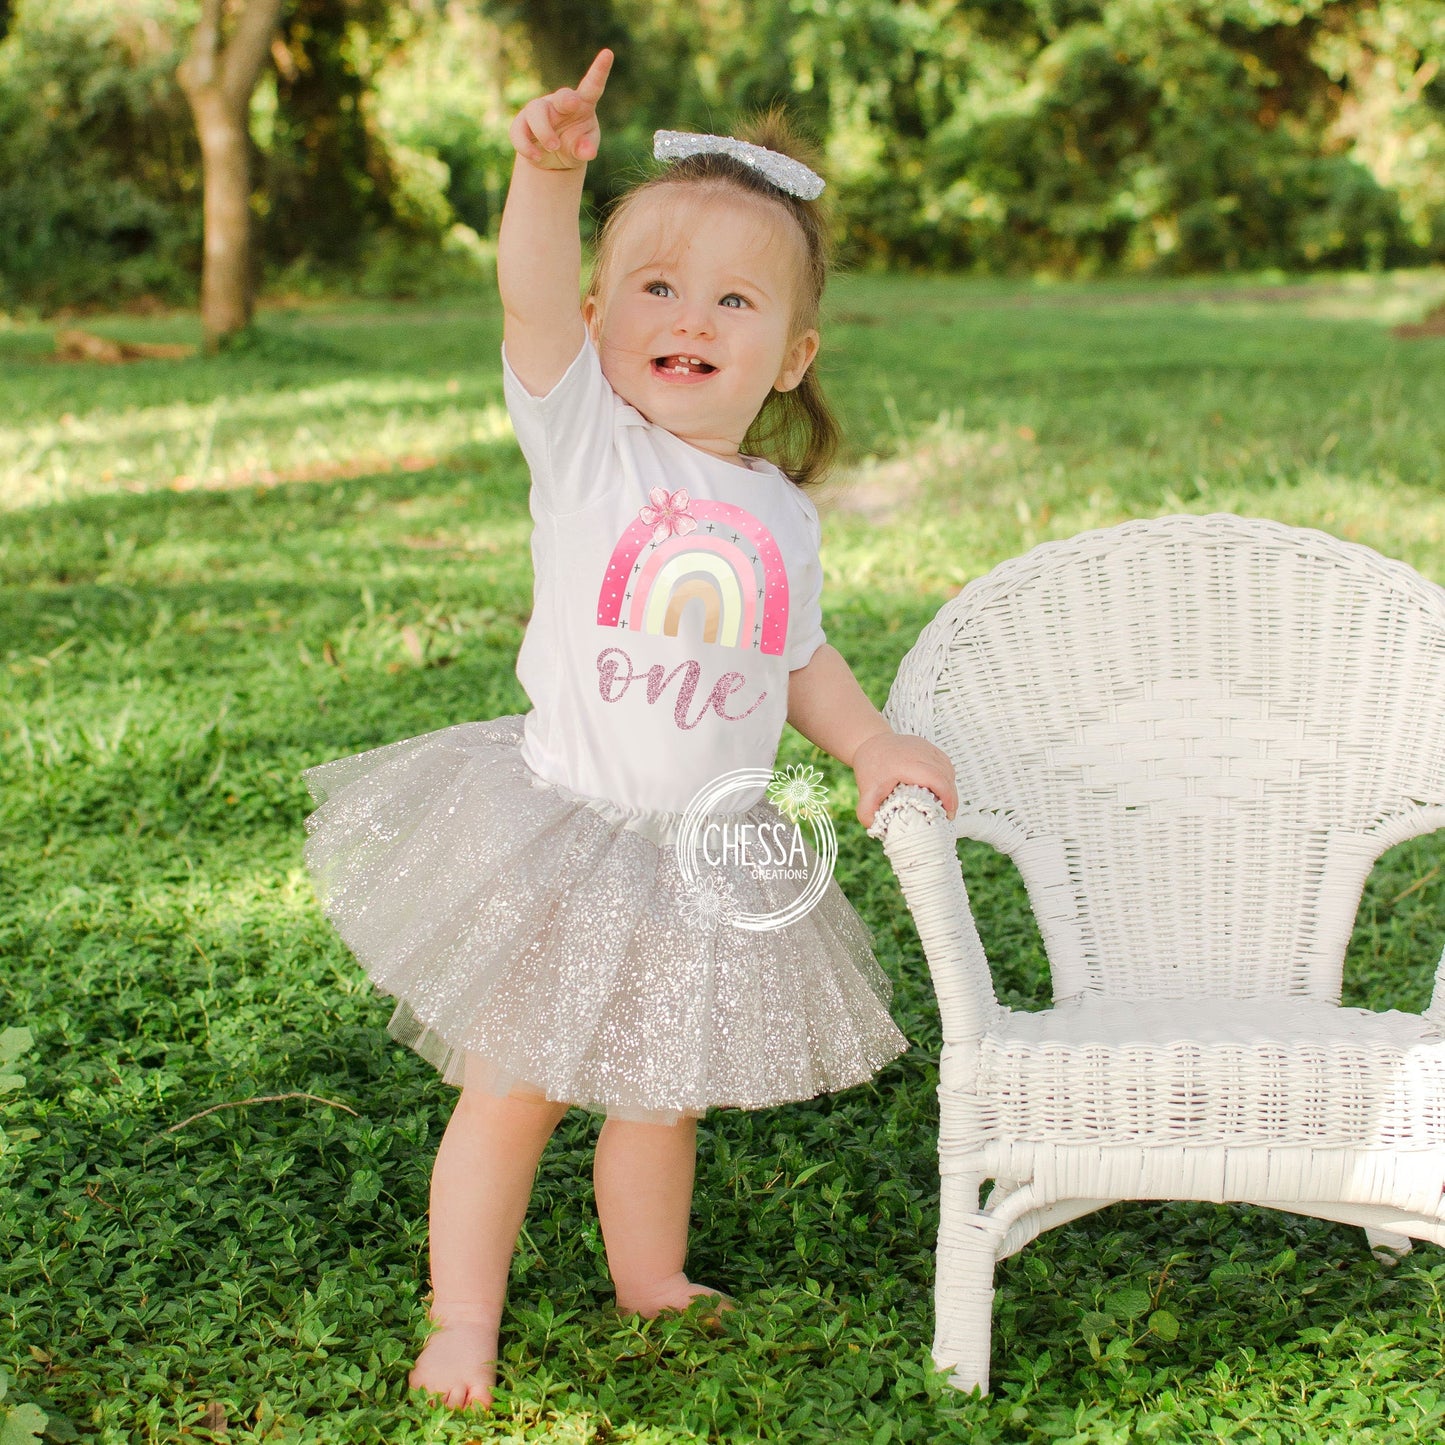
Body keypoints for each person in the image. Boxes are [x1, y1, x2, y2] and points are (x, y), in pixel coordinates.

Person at [299, 45, 958, 1414]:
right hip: (563, 832)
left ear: (792, 354)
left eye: (734, 298)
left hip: (702, 854)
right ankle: (463, 1316)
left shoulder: (781, 510)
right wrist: (548, 177)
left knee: (662, 1096)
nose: (692, 316)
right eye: (655, 286)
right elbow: (525, 296)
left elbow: (794, 657)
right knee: (517, 1088)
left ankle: (646, 1274)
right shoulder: (586, 436)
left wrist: (868, 743)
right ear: (599, 315)